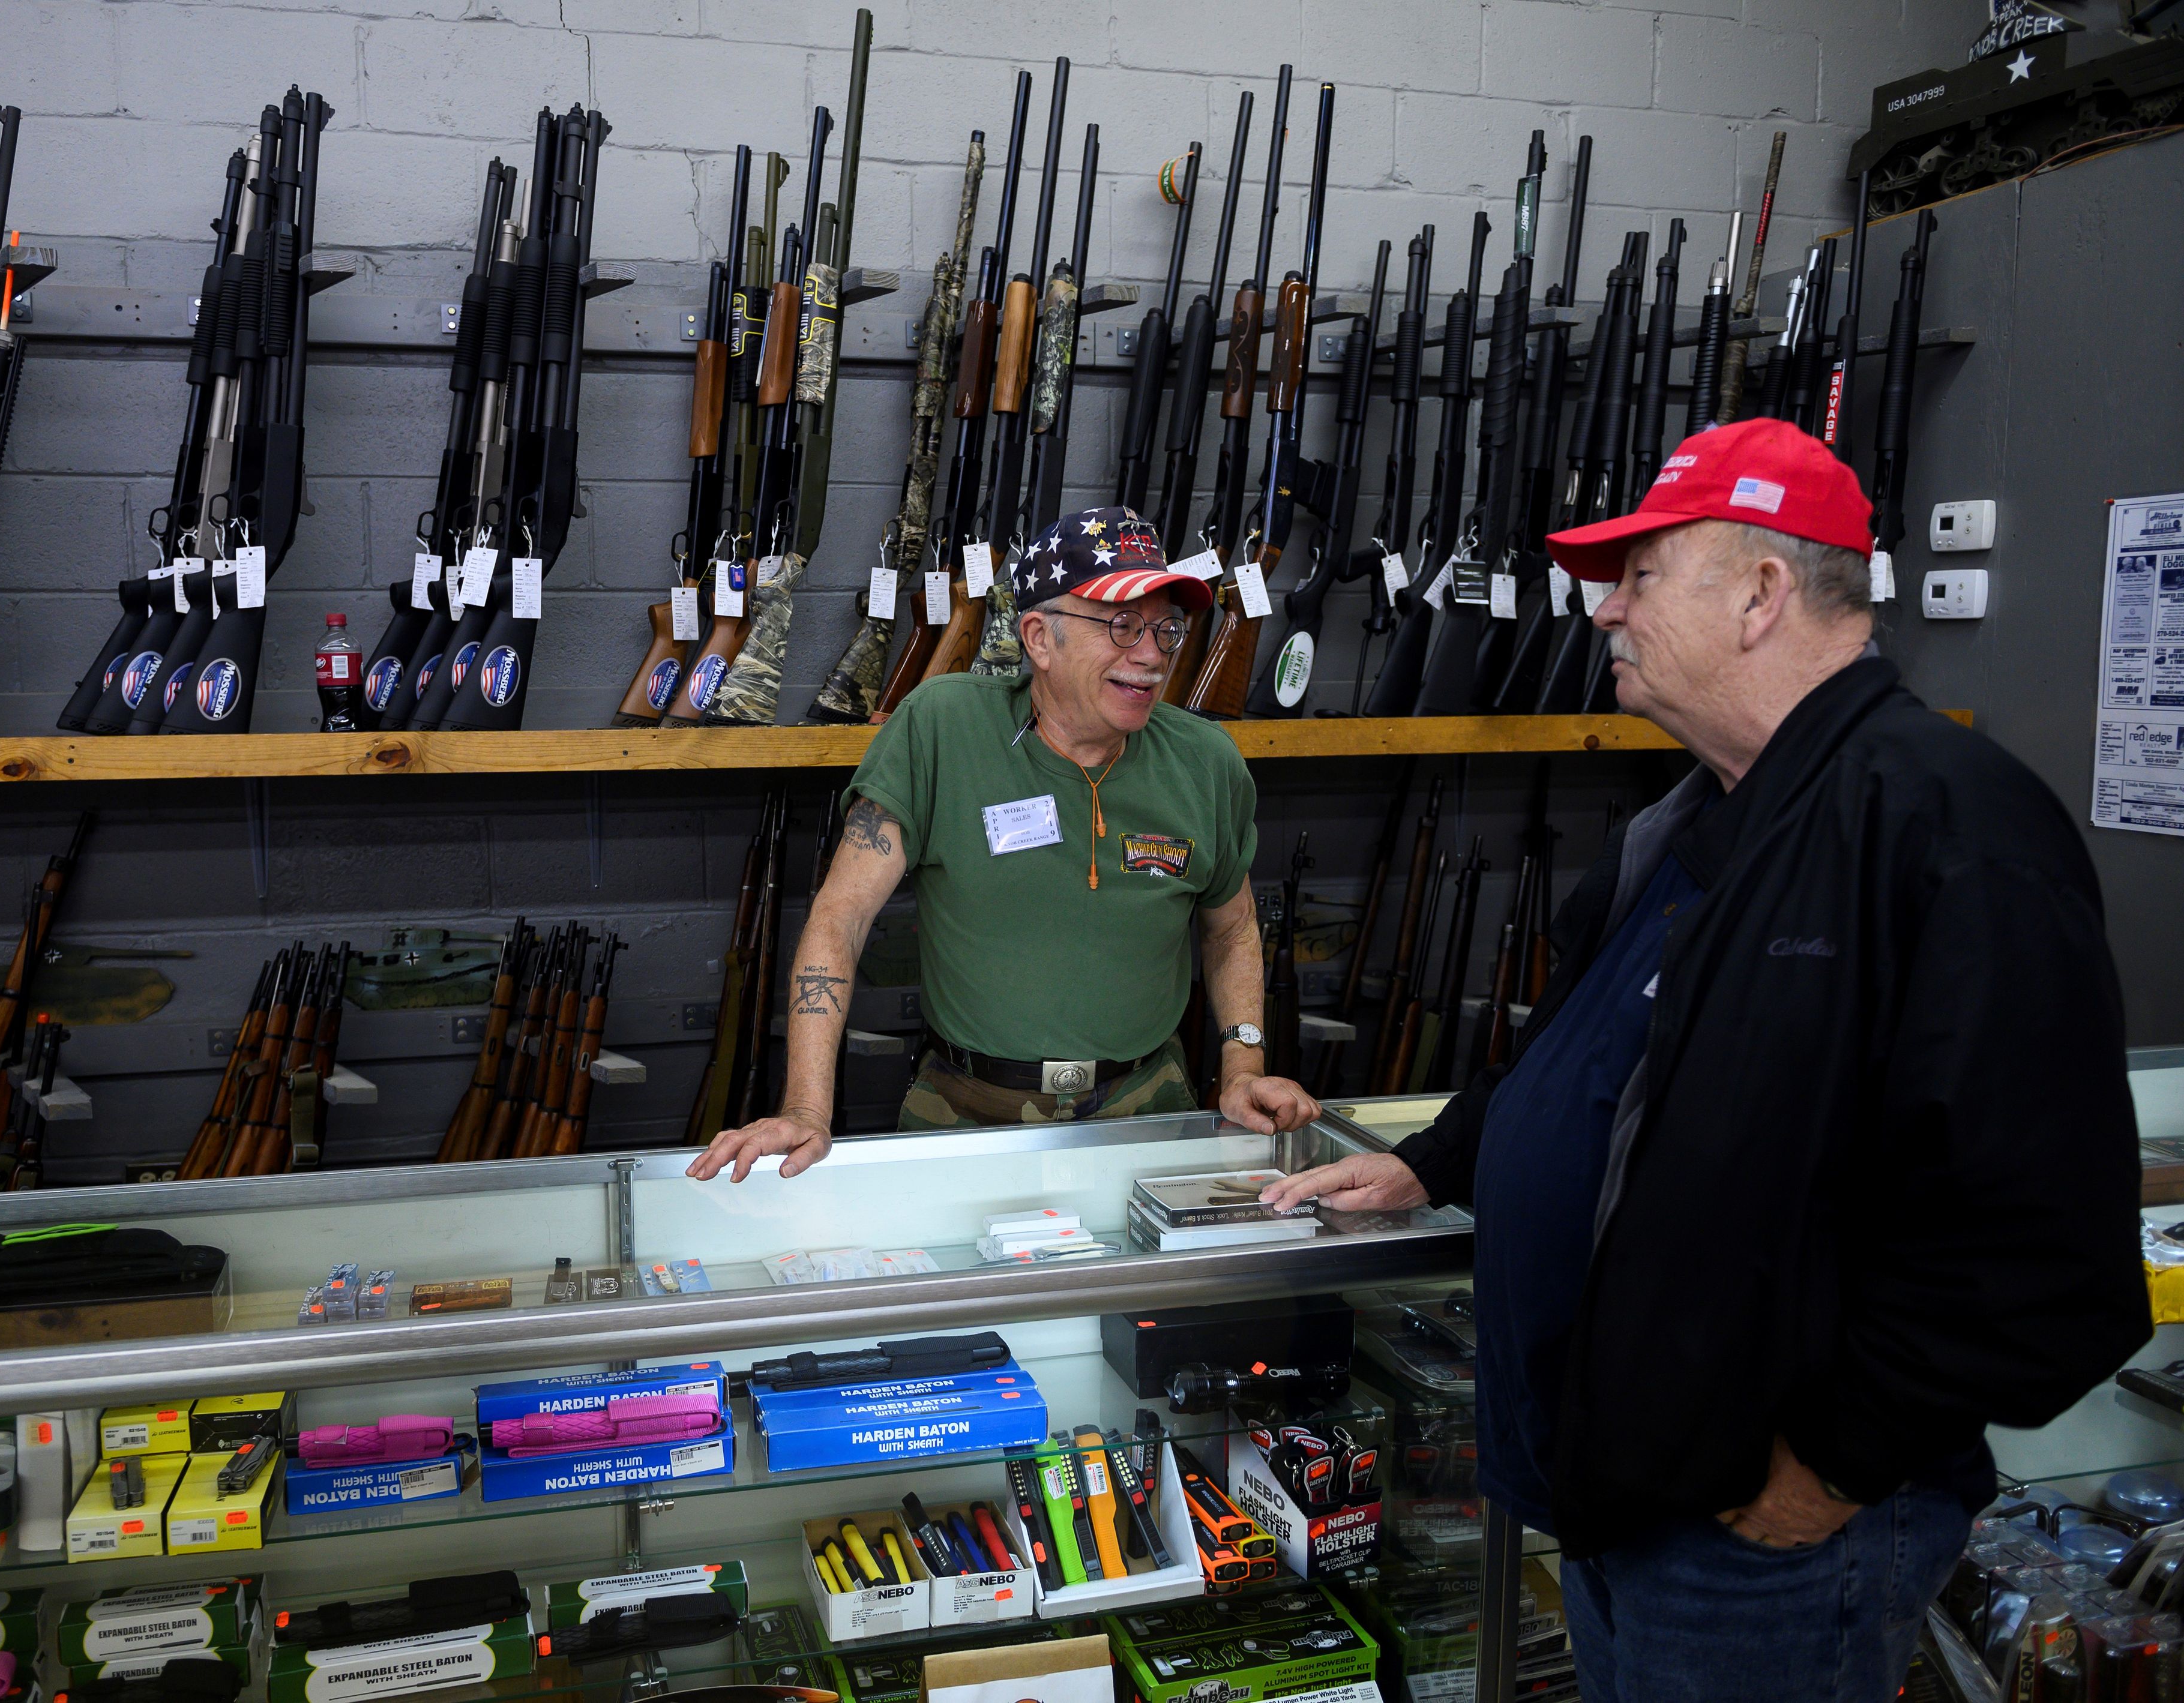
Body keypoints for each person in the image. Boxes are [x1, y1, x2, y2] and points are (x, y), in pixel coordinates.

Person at [1262, 420, 2147, 1701]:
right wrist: (1439, 1160)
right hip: (1631, 1496)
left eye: (1641, 575)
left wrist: (1830, 1466)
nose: (1605, 610)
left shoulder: (1943, 820)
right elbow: (1591, 1055)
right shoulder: (1697, 817)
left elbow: (2041, 1250)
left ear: (1758, 593)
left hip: (1766, 1532)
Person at [689, 506, 1322, 1184]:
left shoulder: (1205, 759)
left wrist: (1242, 1069)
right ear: (1038, 639)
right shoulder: (940, 727)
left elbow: (1231, 931)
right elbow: (840, 920)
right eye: (1122, 627)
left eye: (1167, 629)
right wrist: (808, 1109)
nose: (1151, 656)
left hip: (1148, 1113)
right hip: (963, 1114)